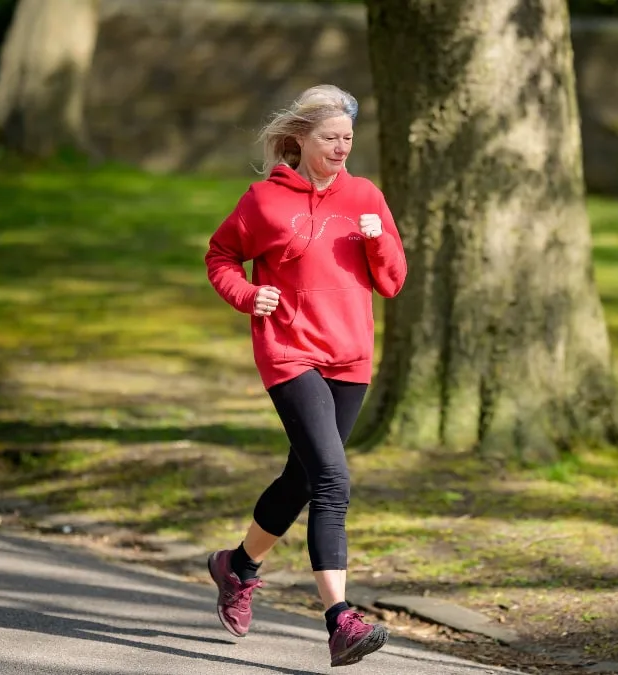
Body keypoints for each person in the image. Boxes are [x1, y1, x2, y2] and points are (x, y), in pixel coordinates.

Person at [202, 84, 407, 667]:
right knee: (332, 481)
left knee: (302, 477)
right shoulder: (264, 201)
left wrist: (378, 239)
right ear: (300, 138)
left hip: (350, 357)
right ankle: (340, 618)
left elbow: (392, 281)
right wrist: (246, 294)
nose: (342, 147)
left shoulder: (366, 196)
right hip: (289, 353)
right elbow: (220, 254)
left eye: (348, 137)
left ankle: (237, 566)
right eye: (330, 137)